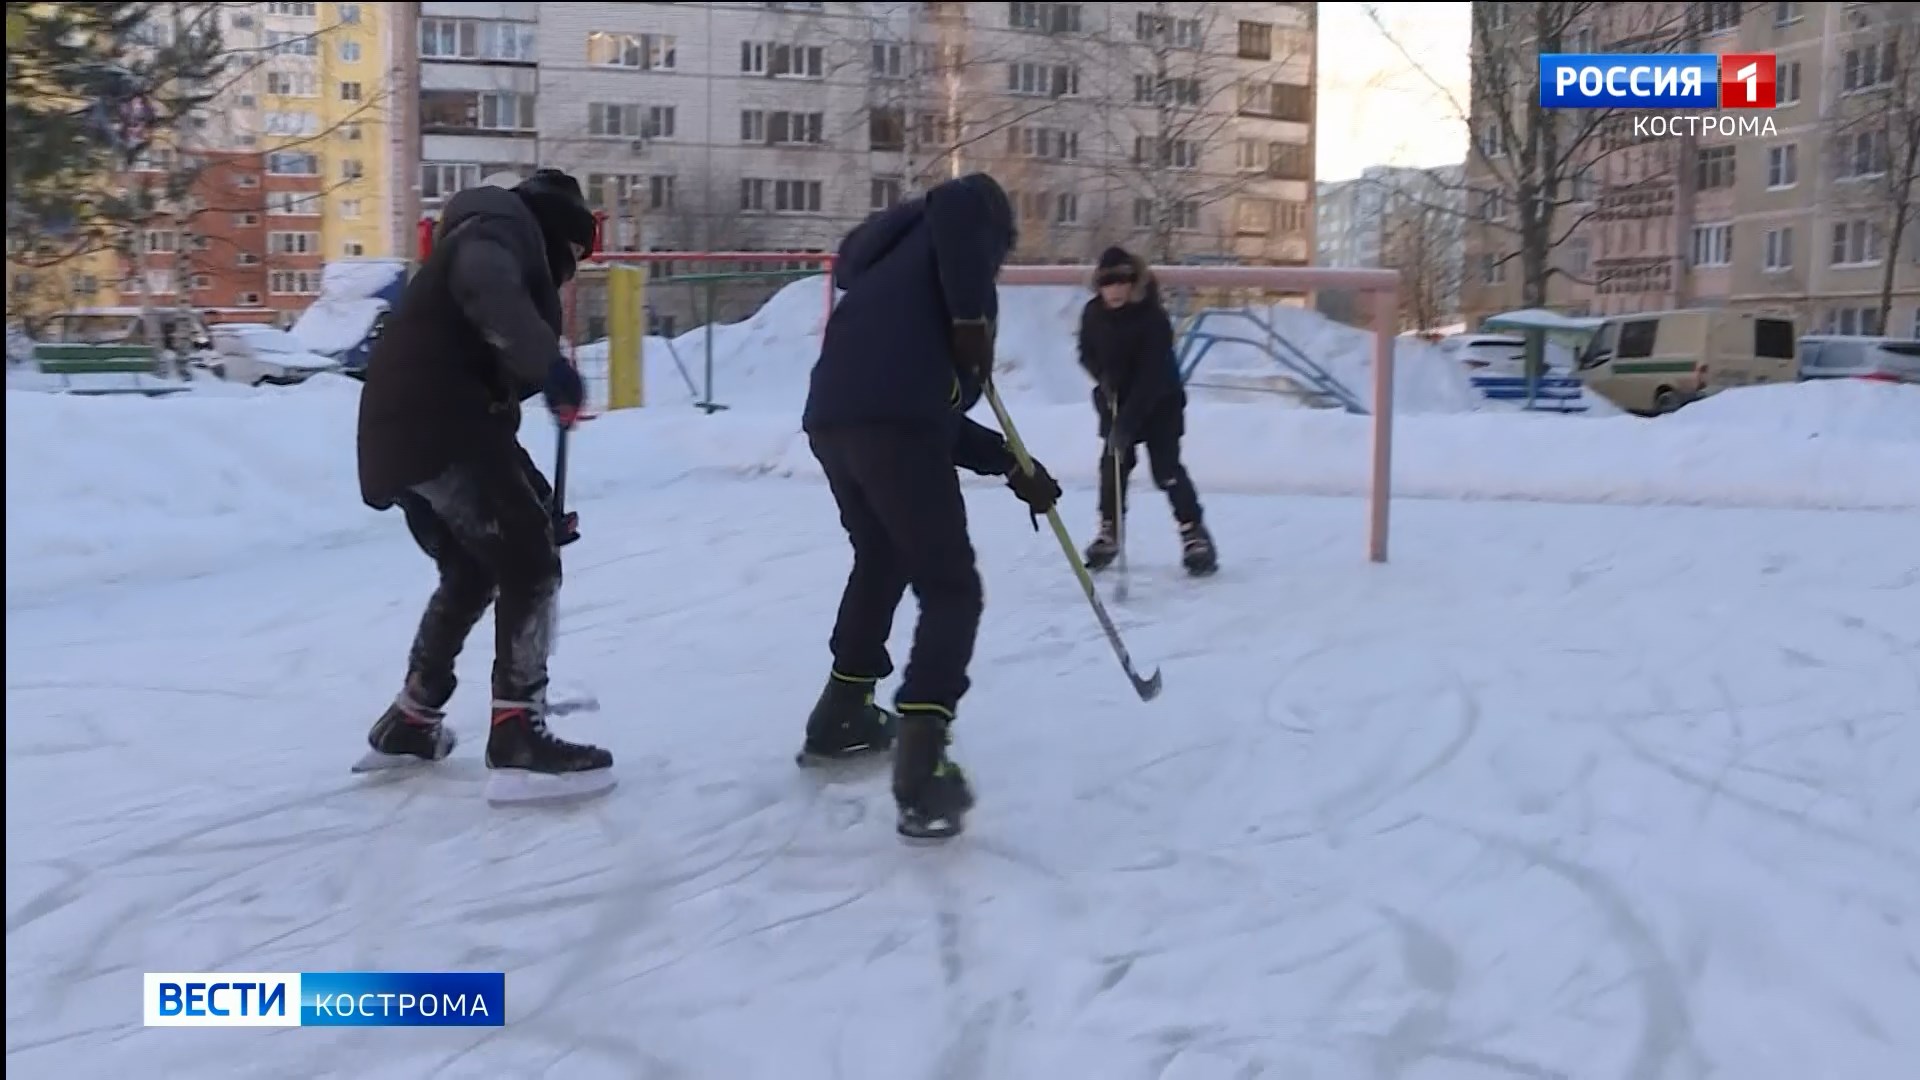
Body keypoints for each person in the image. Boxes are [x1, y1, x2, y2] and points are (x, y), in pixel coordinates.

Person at [800, 172, 1062, 840]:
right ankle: (922, 767)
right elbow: (919, 410)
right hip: (892, 422)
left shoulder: (890, 267)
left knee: (882, 556)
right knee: (951, 588)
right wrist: (974, 327)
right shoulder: (963, 242)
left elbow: (924, 407)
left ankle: (843, 712)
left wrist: (1009, 461)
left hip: (832, 420)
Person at [353, 168, 613, 800]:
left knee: (474, 570)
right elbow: (488, 288)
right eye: (574, 255)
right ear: (556, 230)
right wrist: (545, 362)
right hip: (439, 426)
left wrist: (537, 499)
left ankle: (413, 717)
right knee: (530, 565)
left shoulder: (478, 236)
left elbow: (491, 423)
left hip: (404, 436)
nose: (569, 270)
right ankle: (518, 727)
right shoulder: (500, 229)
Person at [1076, 245, 1217, 577]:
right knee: (1113, 462)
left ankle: (1193, 532)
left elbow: (1153, 375)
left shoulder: (1152, 317)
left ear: (1134, 281)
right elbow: (1085, 351)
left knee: (1166, 469)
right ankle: (1109, 530)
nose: (1116, 289)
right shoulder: (1093, 314)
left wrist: (1128, 422)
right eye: (1108, 282)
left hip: (1159, 404)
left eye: (1123, 280)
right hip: (1117, 401)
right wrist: (1104, 378)